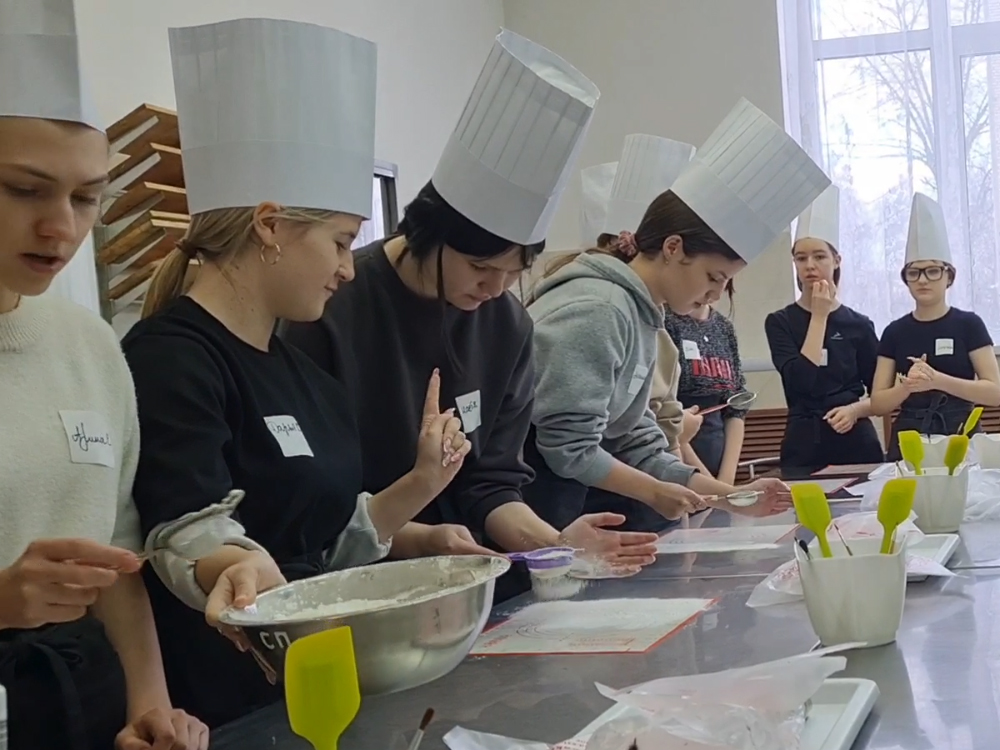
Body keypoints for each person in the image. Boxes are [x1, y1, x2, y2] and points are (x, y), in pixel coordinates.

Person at [123, 19, 468, 727]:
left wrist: (422, 483)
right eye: (340, 241)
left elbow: (330, 552)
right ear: (270, 226)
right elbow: (186, 531)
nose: (349, 268)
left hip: (316, 684)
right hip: (223, 705)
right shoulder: (169, 358)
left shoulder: (308, 377)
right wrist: (235, 567)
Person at [281, 30, 660, 601]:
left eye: (514, 272)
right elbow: (306, 490)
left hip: (466, 581)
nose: (495, 289)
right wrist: (416, 534)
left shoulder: (507, 326)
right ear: (425, 233)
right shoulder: (331, 304)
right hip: (343, 577)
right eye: (481, 266)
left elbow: (493, 483)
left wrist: (555, 544)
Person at [0, 2, 207, 748]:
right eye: (23, 189)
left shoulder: (89, 345)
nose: (62, 226)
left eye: (86, 197)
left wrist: (148, 705)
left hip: (78, 698)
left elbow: (117, 551)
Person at [523, 99, 830, 532]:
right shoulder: (600, 309)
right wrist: (654, 491)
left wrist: (733, 497)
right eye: (713, 276)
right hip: (540, 510)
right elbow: (569, 447)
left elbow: (637, 439)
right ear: (672, 248)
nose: (716, 293)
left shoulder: (644, 316)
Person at [871, 193, 1000, 459]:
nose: (922, 280)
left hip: (961, 436)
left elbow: (994, 392)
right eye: (914, 272)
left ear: (948, 276)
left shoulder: (969, 324)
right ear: (906, 279)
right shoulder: (894, 331)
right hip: (909, 439)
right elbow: (878, 403)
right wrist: (907, 387)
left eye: (932, 271)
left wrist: (937, 380)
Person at [765, 186, 883, 474]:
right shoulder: (780, 322)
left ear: (836, 260)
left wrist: (855, 410)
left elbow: (881, 394)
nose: (810, 266)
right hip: (804, 441)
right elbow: (800, 381)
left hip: (855, 439)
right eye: (801, 258)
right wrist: (819, 317)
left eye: (819, 257)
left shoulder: (858, 324)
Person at [664, 282, 747, 482]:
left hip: (717, 460)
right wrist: (707, 481)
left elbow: (736, 406)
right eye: (710, 277)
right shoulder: (666, 322)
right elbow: (665, 413)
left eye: (722, 280)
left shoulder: (723, 327)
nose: (714, 292)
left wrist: (726, 480)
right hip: (677, 459)